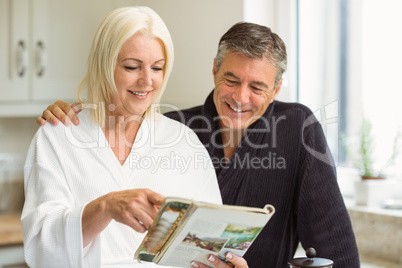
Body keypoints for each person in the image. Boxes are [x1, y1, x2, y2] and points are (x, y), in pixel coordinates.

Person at [37, 22, 360, 267]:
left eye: (257, 87)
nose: (240, 97)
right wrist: (73, 114)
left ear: (276, 90)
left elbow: (335, 247)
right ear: (215, 69)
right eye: (231, 80)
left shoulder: (297, 128)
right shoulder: (175, 129)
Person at [22, 6, 228, 268]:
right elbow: (40, 249)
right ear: (104, 65)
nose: (147, 81)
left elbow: (212, 245)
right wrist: (105, 207)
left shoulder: (183, 142)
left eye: (157, 68)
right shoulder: (58, 137)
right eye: (132, 67)